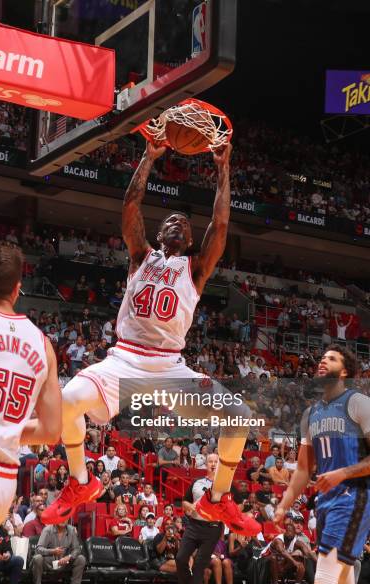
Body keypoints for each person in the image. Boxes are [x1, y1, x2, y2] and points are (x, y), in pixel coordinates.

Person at [43, 142, 258, 537]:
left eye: (185, 224)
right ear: (159, 234)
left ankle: (217, 499)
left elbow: (221, 225)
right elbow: (129, 206)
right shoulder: (141, 256)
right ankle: (80, 481)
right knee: (66, 402)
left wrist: (224, 169)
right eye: (171, 221)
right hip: (123, 359)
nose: (178, 223)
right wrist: (149, 154)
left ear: (191, 241)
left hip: (170, 366)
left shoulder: (194, 269)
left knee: (240, 417)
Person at [0, 243, 62, 576]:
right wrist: (4, 426)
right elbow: (50, 430)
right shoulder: (43, 344)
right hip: (1, 486)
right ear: (19, 288)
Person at [275, 344, 370, 584]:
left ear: (345, 372)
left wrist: (342, 472)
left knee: (324, 580)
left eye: (331, 359)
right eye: (321, 358)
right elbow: (304, 470)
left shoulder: (358, 403)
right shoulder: (311, 413)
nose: (322, 362)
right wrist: (284, 503)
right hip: (327, 501)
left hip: (355, 496)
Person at [174, 454, 258, 584]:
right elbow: (184, 501)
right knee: (180, 559)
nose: (213, 464)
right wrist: (190, 507)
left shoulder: (226, 485)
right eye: (210, 462)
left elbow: (240, 504)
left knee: (199, 565)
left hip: (213, 529)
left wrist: (226, 513)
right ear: (205, 464)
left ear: (219, 465)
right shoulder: (197, 482)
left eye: (216, 462)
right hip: (193, 526)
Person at [32, 520, 86, 584]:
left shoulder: (71, 530)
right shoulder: (47, 530)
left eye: (65, 518)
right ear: (56, 519)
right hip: (49, 561)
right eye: (61, 518)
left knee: (81, 559)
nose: (63, 520)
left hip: (64, 561)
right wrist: (53, 551)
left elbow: (77, 549)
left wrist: (69, 557)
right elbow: (39, 549)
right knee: (37, 558)